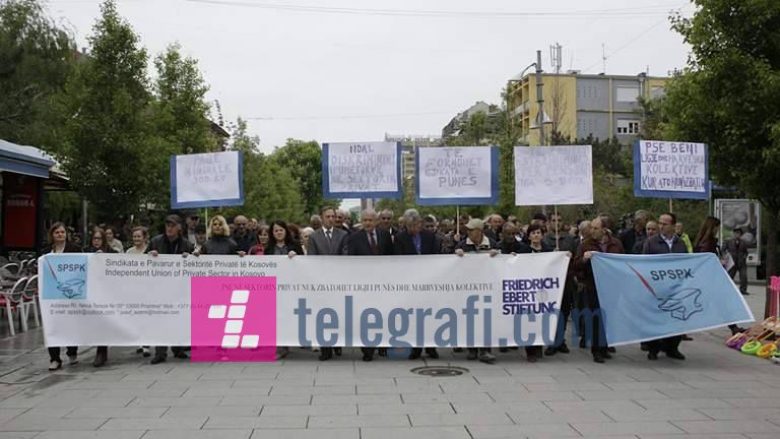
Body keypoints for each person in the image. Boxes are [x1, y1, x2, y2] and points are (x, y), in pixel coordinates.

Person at [575, 216, 624, 363]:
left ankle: (605, 347)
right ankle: (596, 350)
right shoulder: (586, 244)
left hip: (611, 286)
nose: (592, 231)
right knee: (596, 317)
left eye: (595, 228)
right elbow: (576, 264)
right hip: (593, 286)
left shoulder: (616, 244)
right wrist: (584, 259)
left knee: (609, 318)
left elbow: (623, 261)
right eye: (591, 228)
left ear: (604, 230)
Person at [347, 209, 394, 361]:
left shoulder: (385, 235)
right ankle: (367, 349)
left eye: (370, 220)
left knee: (383, 315)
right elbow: (351, 261)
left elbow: (391, 257)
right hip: (364, 285)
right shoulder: (354, 238)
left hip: (383, 283)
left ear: (376, 221)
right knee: (366, 317)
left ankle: (383, 346)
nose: (367, 223)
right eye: (365, 220)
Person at [147, 214, 194, 365]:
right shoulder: (156, 241)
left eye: (172, 225)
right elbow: (141, 262)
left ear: (179, 227)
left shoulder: (186, 244)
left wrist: (191, 258)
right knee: (161, 318)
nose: (169, 228)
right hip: (160, 287)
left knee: (178, 317)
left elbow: (195, 264)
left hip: (179, 287)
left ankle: (178, 348)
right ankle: (160, 352)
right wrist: (149, 255)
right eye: (167, 225)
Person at [642, 212, 688, 361]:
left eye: (664, 224)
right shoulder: (651, 242)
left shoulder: (680, 243)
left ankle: (672, 347)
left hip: (675, 288)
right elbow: (644, 264)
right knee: (656, 318)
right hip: (656, 288)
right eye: (660, 223)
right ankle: (653, 348)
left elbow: (685, 263)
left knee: (675, 318)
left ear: (673, 226)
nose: (661, 226)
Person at [395, 210, 440, 360]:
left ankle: (431, 346)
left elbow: (436, 256)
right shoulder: (400, 238)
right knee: (414, 317)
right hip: (411, 282)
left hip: (429, 281)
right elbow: (398, 259)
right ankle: (416, 347)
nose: (414, 228)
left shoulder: (429, 236)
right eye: (411, 226)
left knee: (430, 315)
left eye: (417, 225)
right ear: (406, 225)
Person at [307, 206, 348, 361]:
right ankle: (325, 350)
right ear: (322, 218)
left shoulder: (343, 235)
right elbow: (312, 259)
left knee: (337, 314)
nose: (331, 219)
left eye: (333, 216)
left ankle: (337, 344)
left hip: (338, 281)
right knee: (323, 315)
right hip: (321, 281)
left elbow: (345, 256)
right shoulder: (314, 237)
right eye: (328, 216)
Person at [455, 218, 499, 364]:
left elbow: (505, 259)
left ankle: (486, 350)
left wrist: (498, 254)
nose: (467, 232)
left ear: (479, 231)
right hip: (469, 288)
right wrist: (457, 254)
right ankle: (472, 349)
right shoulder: (463, 244)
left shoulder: (492, 243)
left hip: (488, 288)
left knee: (487, 318)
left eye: (471, 230)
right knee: (471, 318)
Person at [693, 216, 745, 335]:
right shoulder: (708, 242)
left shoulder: (702, 241)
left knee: (721, 303)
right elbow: (705, 259)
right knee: (722, 303)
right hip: (710, 278)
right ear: (713, 227)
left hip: (707, 278)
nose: (718, 230)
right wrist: (718, 262)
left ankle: (734, 327)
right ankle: (734, 327)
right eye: (717, 227)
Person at [42, 222, 81, 371]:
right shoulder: (46, 252)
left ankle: (72, 352)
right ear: (52, 235)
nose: (60, 235)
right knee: (52, 326)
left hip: (70, 293)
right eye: (57, 232)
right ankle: (54, 358)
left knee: (70, 324)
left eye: (62, 232)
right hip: (52, 294)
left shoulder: (74, 249)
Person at [513, 223, 552, 362]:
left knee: (542, 317)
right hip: (528, 290)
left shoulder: (548, 250)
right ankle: (530, 350)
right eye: (533, 233)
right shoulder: (523, 250)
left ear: (542, 235)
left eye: (539, 233)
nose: (536, 235)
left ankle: (539, 345)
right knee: (529, 319)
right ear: (529, 236)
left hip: (543, 289)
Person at [83, 227, 116, 367]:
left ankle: (101, 352)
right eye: (94, 239)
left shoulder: (112, 253)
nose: (96, 241)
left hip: (106, 293)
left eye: (99, 238)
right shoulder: (85, 252)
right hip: (90, 292)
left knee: (103, 321)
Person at [724, 227, 749, 296]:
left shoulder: (743, 242)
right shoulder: (728, 241)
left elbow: (746, 252)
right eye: (735, 233)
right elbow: (723, 249)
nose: (737, 235)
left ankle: (743, 290)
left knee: (744, 276)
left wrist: (744, 257)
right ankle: (727, 289)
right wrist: (726, 256)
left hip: (741, 262)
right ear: (733, 234)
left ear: (740, 234)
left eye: (738, 233)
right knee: (730, 276)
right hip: (732, 262)